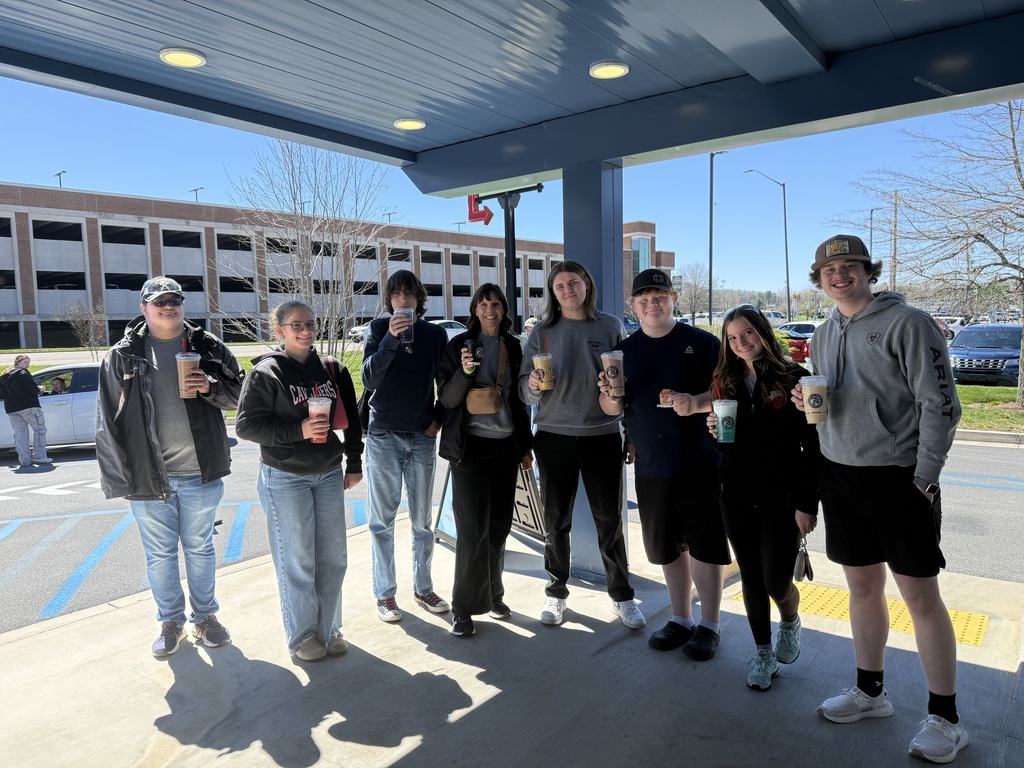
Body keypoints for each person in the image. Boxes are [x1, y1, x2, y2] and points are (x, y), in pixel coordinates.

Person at [794, 235, 966, 763]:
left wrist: (924, 478)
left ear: (869, 271)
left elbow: (941, 404)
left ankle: (946, 718)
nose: (839, 275)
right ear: (818, 279)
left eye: (850, 266)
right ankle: (871, 693)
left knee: (920, 598)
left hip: (899, 480)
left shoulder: (907, 323)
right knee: (862, 588)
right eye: (829, 269)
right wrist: (806, 400)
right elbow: (832, 401)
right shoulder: (823, 333)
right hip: (841, 477)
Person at [96, 276, 243, 658]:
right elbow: (108, 421)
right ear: (144, 308)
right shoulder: (121, 355)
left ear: (182, 305)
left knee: (200, 550)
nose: (168, 306)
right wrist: (119, 478)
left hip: (200, 471)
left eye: (174, 299)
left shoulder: (208, 346)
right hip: (148, 475)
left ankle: (206, 618)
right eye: (159, 301)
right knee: (159, 556)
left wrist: (209, 387)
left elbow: (241, 396)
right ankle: (170, 623)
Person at [598, 268, 731, 659]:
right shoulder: (623, 352)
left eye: (659, 297)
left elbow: (727, 391)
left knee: (706, 547)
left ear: (673, 299)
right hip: (652, 466)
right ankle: (681, 618)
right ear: (633, 307)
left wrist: (697, 403)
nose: (652, 304)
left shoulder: (703, 343)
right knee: (668, 547)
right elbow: (611, 408)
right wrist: (608, 393)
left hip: (701, 461)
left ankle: (710, 623)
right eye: (644, 300)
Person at [519, 261, 645, 630]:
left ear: (586, 285)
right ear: (553, 293)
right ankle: (556, 593)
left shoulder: (610, 326)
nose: (567, 290)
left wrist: (630, 434)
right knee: (556, 522)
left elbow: (627, 386)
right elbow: (523, 390)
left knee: (610, 523)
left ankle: (622, 596)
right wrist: (534, 386)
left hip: (602, 436)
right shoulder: (541, 332)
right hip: (553, 437)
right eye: (559, 286)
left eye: (573, 283)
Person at [235, 301, 363, 661]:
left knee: (334, 557)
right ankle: (303, 635)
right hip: (286, 476)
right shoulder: (267, 372)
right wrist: (299, 429)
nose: (305, 331)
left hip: (327, 472)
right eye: (296, 326)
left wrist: (353, 462)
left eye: (310, 324)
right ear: (280, 330)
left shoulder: (332, 369)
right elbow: (246, 426)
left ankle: (330, 627)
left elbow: (352, 420)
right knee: (299, 560)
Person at [704, 303, 821, 688]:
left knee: (775, 581)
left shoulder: (794, 379)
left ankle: (790, 618)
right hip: (734, 494)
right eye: (733, 338)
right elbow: (726, 447)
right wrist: (714, 431)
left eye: (747, 334)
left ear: (763, 332)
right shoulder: (725, 381)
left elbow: (812, 447)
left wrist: (807, 504)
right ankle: (763, 654)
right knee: (751, 577)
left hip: (782, 498)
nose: (741, 343)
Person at [437, 284, 533, 637]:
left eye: (496, 304)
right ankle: (463, 607)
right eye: (483, 304)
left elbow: (519, 403)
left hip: (506, 447)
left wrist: (525, 446)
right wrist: (464, 372)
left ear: (504, 310)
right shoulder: (457, 346)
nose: (490, 310)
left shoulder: (513, 346)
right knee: (471, 531)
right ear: (475, 310)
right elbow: (447, 400)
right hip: (470, 450)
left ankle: (494, 594)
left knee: (498, 529)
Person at [361, 270, 450, 622]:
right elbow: (369, 377)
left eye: (409, 294)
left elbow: (447, 381)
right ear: (389, 300)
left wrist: (437, 421)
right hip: (384, 433)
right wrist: (391, 340)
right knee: (381, 521)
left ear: (419, 299)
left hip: (421, 435)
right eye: (397, 294)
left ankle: (423, 587)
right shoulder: (379, 330)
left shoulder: (435, 334)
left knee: (422, 523)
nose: (403, 300)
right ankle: (385, 595)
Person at [1, 355, 53, 466]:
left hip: (12, 409)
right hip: (29, 406)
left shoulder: (5, 376)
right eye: (25, 362)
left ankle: (25, 460)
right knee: (40, 430)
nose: (27, 365)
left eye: (28, 362)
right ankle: (39, 456)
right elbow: (33, 389)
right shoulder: (23, 373)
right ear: (18, 363)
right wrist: (41, 389)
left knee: (20, 434)